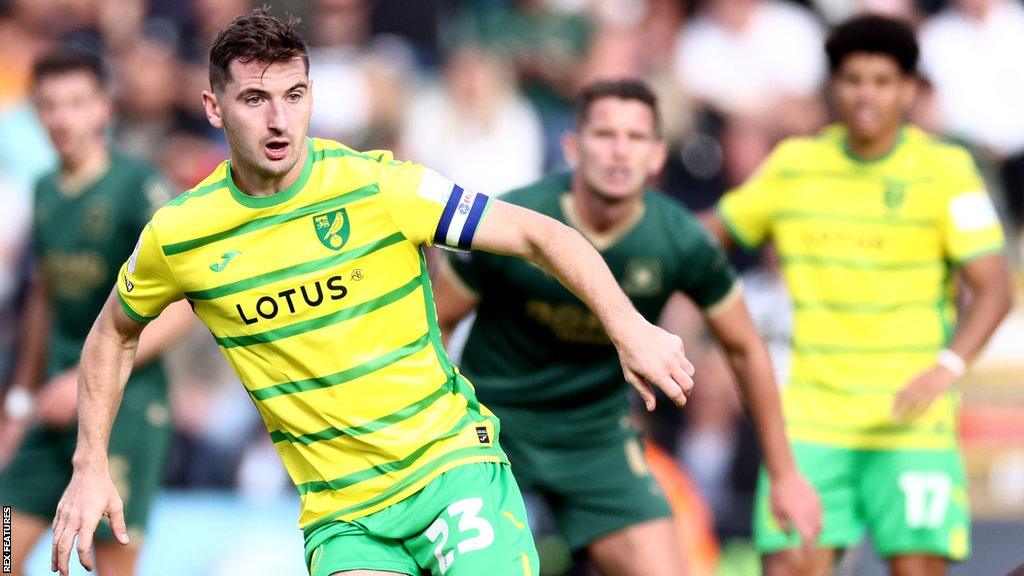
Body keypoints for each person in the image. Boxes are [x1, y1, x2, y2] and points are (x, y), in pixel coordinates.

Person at [49, 10, 697, 576]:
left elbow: (539, 234)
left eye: (294, 94)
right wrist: (89, 463)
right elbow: (113, 331)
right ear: (214, 108)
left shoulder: (379, 188)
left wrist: (628, 327)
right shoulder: (181, 234)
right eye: (254, 99)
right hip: (344, 511)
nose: (279, 120)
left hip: (448, 472)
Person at [430, 79, 820, 576]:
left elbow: (745, 348)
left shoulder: (679, 239)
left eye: (636, 138)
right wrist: (437, 433)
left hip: (597, 437)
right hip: (493, 426)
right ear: (573, 147)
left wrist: (785, 475)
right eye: (604, 135)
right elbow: (437, 324)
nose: (620, 151)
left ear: (658, 156)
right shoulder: (516, 217)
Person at [702, 15, 1014, 576]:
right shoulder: (795, 165)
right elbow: (705, 238)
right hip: (813, 417)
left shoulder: (946, 170)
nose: (865, 93)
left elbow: (994, 288)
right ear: (832, 87)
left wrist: (949, 364)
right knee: (790, 567)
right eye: (852, 79)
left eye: (882, 80)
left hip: (912, 421)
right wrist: (621, 232)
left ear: (909, 90)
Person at [0, 48, 194, 576]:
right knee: (1, 545)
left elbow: (183, 307)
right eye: (50, 105)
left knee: (107, 567)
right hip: (49, 408)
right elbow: (44, 297)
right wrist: (18, 399)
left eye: (76, 103)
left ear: (105, 108)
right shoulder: (43, 191)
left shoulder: (139, 188)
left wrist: (87, 377)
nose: (63, 118)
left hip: (125, 411)